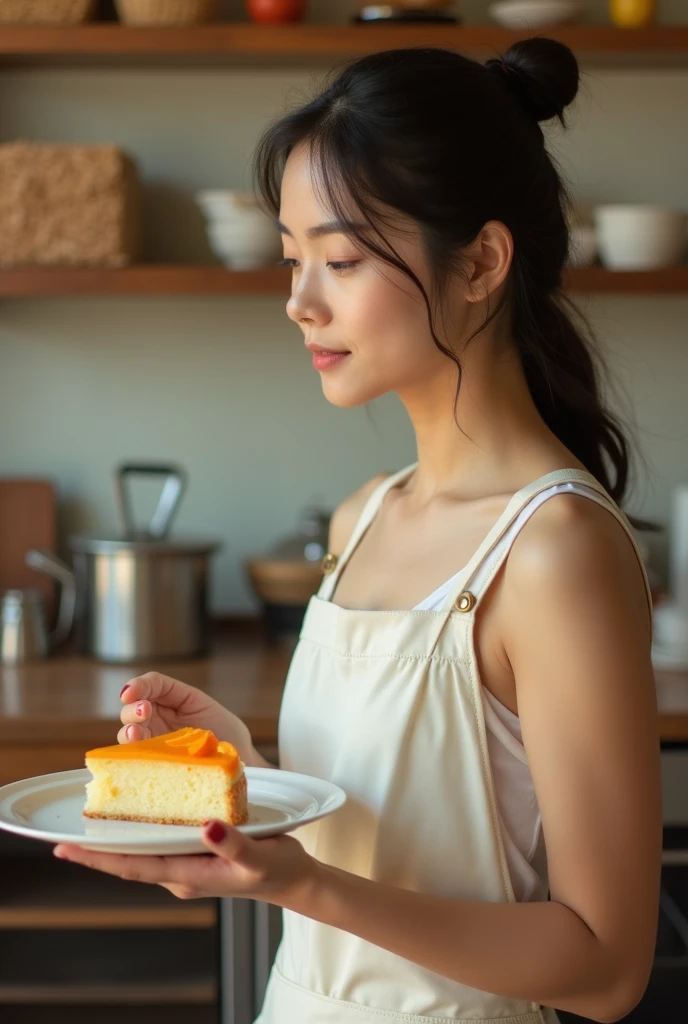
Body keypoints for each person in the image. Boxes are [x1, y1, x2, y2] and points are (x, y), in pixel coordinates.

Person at [54, 38, 662, 1024]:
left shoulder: (553, 551)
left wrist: (298, 884)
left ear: (481, 262)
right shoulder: (366, 511)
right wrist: (244, 769)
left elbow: (603, 965)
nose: (298, 301)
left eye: (338, 258)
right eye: (293, 260)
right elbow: (390, 829)